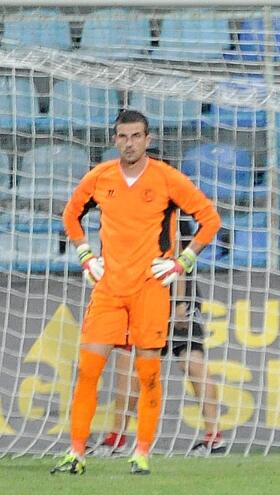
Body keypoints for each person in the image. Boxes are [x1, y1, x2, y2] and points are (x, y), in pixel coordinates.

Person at [52, 109, 221, 476]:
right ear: (115, 140)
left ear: (148, 139)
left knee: (148, 375)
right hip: (109, 288)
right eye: (123, 137)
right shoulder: (100, 177)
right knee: (88, 370)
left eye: (136, 136)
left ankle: (141, 452)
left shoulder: (167, 179)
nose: (129, 143)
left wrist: (183, 262)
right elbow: (69, 215)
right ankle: (75, 452)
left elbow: (211, 219)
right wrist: (85, 255)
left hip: (150, 289)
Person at [99, 270, 226, 457]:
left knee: (186, 358)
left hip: (168, 287)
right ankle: (214, 437)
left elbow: (179, 249)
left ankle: (117, 438)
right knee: (183, 358)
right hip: (148, 288)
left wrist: (179, 300)